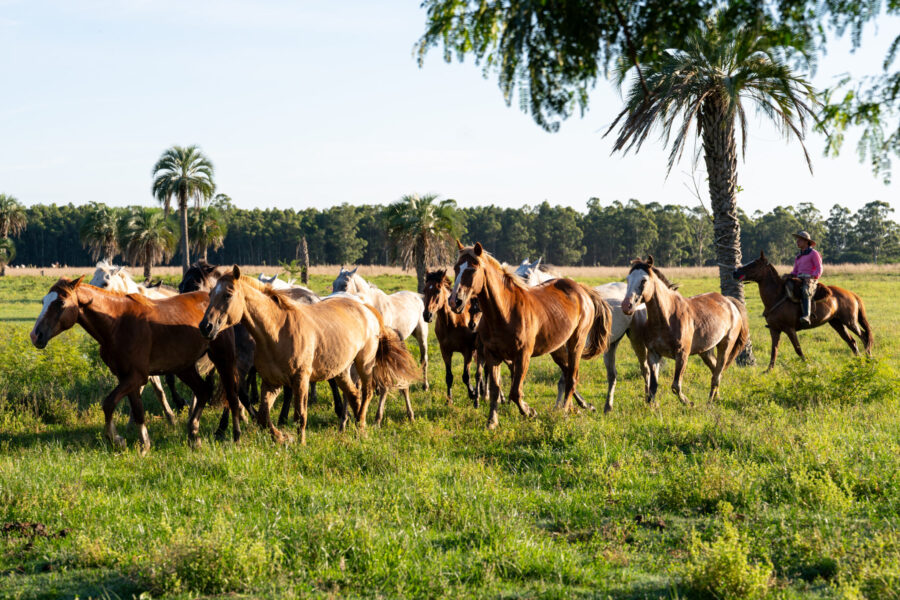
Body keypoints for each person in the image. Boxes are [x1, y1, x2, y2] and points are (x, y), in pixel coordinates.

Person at [790, 231, 822, 325]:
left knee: (805, 290)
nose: (797, 242)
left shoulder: (814, 253)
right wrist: (789, 275)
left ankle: (806, 316)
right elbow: (795, 271)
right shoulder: (798, 256)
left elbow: (819, 268)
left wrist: (813, 276)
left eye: (800, 240)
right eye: (797, 240)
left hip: (810, 279)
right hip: (799, 278)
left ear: (806, 242)